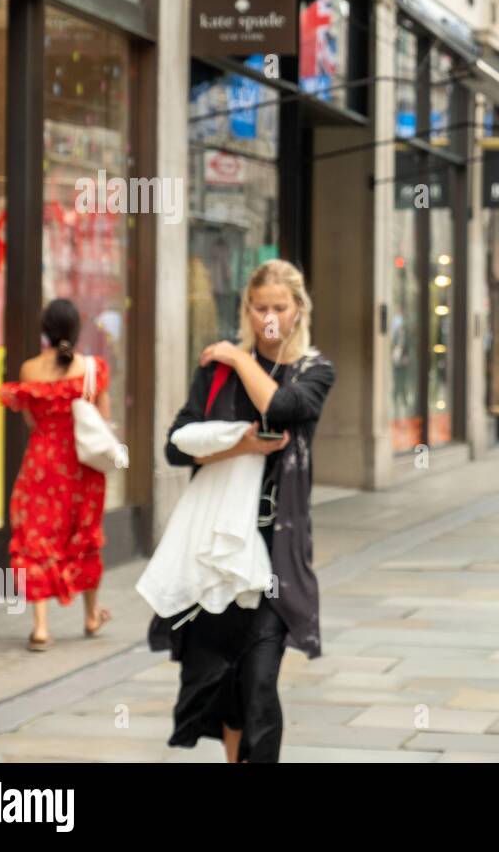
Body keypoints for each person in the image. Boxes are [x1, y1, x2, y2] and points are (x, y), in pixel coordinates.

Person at [152, 259, 334, 763]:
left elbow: (282, 408)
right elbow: (175, 447)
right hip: (218, 548)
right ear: (247, 309)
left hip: (276, 549)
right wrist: (241, 445)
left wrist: (239, 356)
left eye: (280, 307)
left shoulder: (315, 371)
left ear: (299, 311)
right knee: (223, 683)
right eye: (260, 308)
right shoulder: (215, 372)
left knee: (258, 684)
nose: (269, 317)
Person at [0, 299, 112, 651]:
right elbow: (101, 422)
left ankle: (41, 626)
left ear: (44, 331)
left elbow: (32, 419)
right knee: (84, 534)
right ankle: (91, 616)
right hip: (82, 466)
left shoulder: (30, 370)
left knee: (37, 538)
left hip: (42, 463)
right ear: (77, 329)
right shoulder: (92, 369)